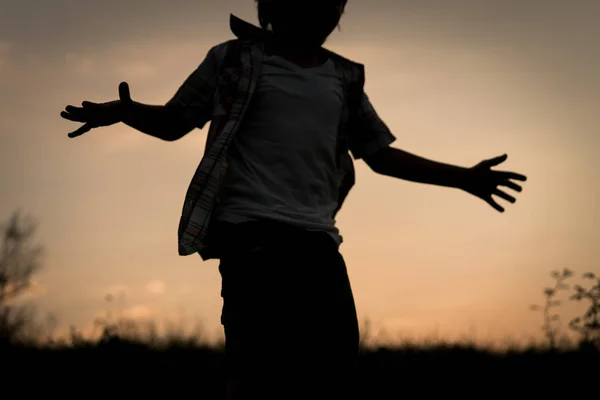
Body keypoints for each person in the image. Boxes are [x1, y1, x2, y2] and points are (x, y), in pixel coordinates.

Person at [60, 0, 527, 398]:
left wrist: (464, 178)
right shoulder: (232, 60)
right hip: (250, 237)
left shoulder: (343, 78)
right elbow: (176, 121)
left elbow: (379, 155)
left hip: (318, 241)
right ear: (275, 6)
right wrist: (125, 112)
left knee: (334, 371)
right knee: (257, 373)